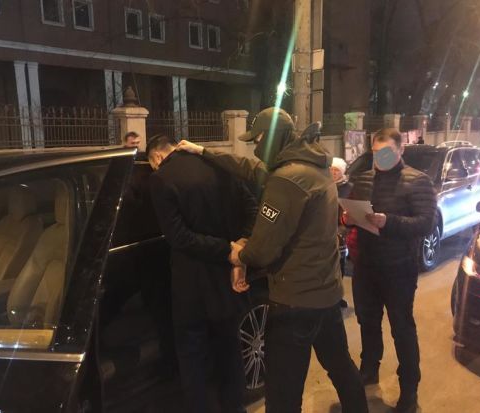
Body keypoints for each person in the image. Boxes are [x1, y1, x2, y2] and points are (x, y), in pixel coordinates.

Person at [177, 107, 368, 413]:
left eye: (258, 139)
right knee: (340, 367)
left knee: (282, 394)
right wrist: (204, 152)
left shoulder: (287, 180)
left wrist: (238, 255)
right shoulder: (312, 165)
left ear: (272, 137)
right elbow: (251, 169)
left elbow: (262, 250)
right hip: (326, 295)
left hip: (295, 304)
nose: (255, 146)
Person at [147, 134, 258, 413]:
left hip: (192, 287)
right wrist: (240, 247)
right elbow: (252, 208)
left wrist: (226, 250)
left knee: (192, 357)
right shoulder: (218, 165)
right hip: (229, 278)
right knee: (229, 348)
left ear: (157, 157)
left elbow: (179, 237)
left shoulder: (161, 179)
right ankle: (234, 408)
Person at [347, 128, 437, 413]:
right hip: (366, 266)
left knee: (402, 328)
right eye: (376, 153)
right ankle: (369, 369)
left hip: (399, 268)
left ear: (400, 151)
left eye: (386, 153)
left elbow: (426, 223)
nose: (380, 158)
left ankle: (409, 390)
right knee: (367, 322)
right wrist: (348, 218)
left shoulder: (418, 180)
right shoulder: (363, 180)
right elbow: (354, 214)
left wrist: (390, 222)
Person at [331, 157, 352, 308]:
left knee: (340, 265)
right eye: (331, 169)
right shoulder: (324, 185)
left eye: (336, 170)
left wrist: (343, 230)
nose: (333, 172)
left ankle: (338, 296)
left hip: (341, 231)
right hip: (326, 231)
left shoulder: (348, 188)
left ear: (342, 172)